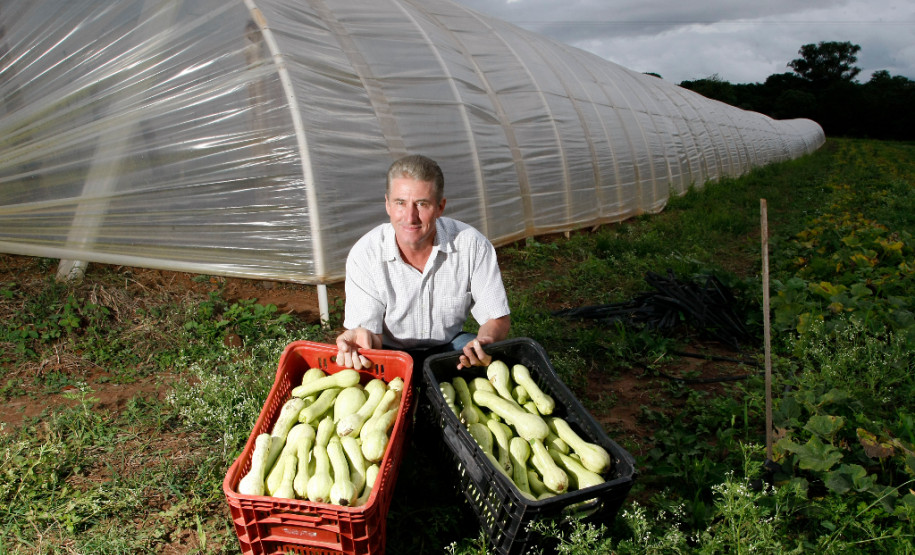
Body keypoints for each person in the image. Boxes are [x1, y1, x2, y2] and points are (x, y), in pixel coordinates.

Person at [335, 154, 511, 371]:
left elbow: (497, 318)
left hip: (449, 346)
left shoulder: (471, 245)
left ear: (440, 207)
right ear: (388, 205)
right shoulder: (366, 254)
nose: (410, 217)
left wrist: (485, 342)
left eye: (422, 204)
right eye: (400, 203)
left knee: (484, 358)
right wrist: (362, 336)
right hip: (390, 352)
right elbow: (371, 336)